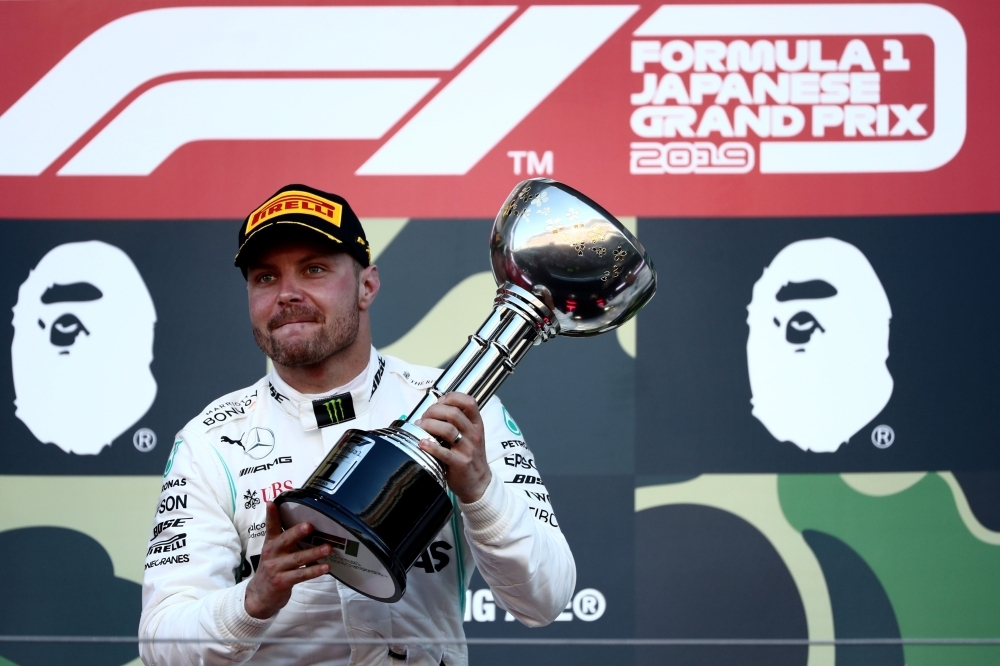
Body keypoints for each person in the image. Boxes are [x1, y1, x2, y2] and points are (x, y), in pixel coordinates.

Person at [139, 185, 576, 666]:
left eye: (314, 269)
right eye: (265, 278)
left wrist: (479, 491)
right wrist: (253, 599)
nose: (287, 294)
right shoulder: (210, 441)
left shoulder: (463, 407)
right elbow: (161, 644)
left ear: (367, 285)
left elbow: (545, 599)